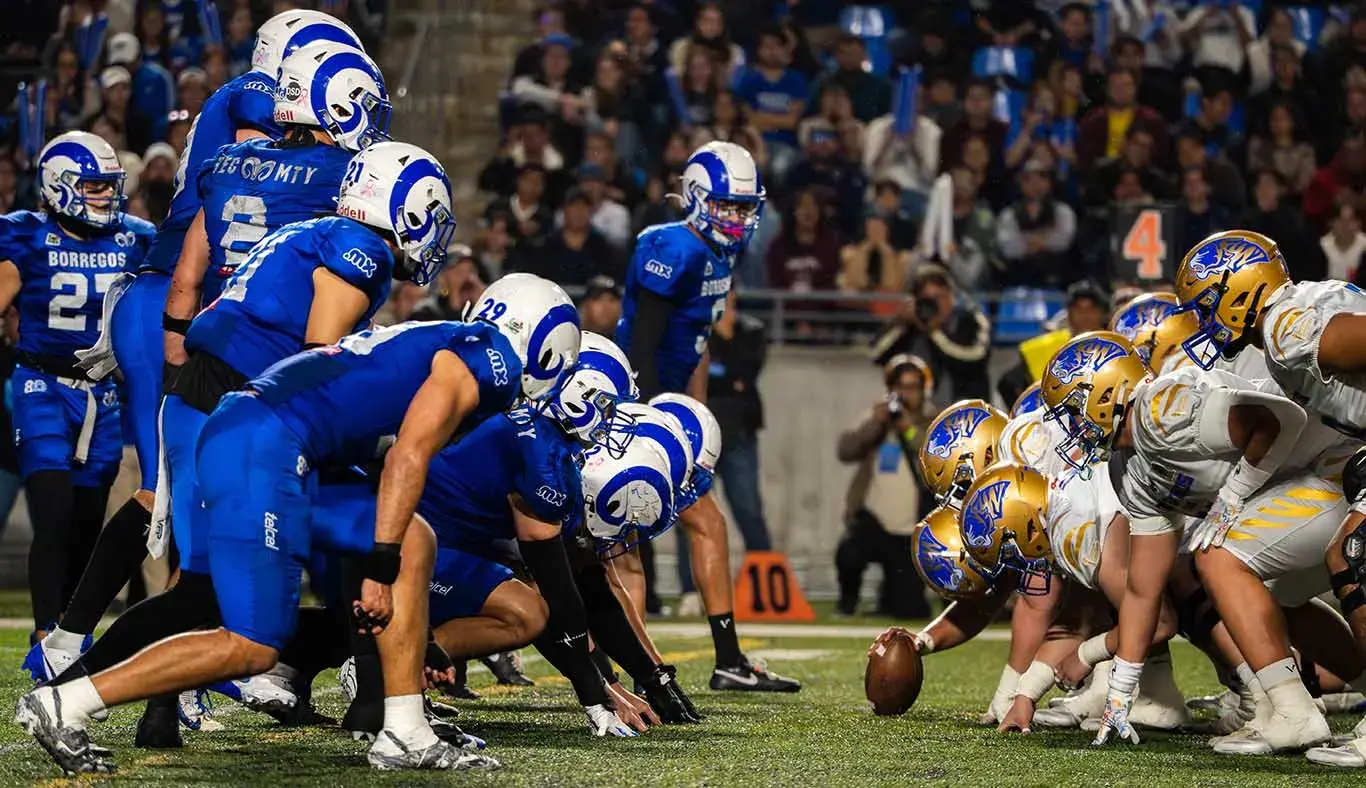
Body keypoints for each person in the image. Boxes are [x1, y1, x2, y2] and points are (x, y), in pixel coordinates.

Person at [16, 276, 580, 773]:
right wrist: (377, 566)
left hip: (278, 438)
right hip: (265, 442)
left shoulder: (450, 339)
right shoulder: (489, 358)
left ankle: (405, 730)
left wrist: (386, 552)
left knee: (415, 538)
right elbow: (408, 457)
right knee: (253, 645)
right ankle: (65, 703)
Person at [36, 141, 455, 745]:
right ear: (407, 208)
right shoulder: (360, 251)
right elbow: (319, 361)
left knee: (201, 589)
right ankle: (68, 693)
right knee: (345, 540)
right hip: (234, 409)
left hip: (202, 398)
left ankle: (126, 705)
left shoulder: (315, 232)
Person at [1039, 331, 1320, 753]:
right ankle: (1294, 701)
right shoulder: (1127, 468)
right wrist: (1120, 693)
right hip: (1289, 507)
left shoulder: (1160, 408)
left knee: (1216, 558)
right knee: (1264, 594)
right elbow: (1143, 590)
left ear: (1106, 392)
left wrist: (1233, 496)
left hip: (1327, 473)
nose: (1073, 427)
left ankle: (1292, 709)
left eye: (1074, 411)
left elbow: (1279, 420)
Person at [614, 140, 797, 692]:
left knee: (694, 528)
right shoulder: (671, 247)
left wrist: (696, 415)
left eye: (744, 207)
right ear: (695, 197)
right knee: (625, 547)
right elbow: (643, 345)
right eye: (726, 205)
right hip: (635, 401)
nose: (737, 217)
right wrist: (647, 420)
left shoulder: (720, 255)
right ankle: (653, 670)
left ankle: (721, 663)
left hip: (669, 406)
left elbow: (697, 344)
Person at [0, 131, 154, 662]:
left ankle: (69, 631)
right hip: (42, 383)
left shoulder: (135, 238)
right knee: (53, 507)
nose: (107, 196)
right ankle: (45, 630)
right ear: (58, 185)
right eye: (94, 186)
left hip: (104, 392)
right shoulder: (25, 236)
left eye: (110, 185)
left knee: (89, 518)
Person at [835, 354, 936, 618]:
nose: (905, 394)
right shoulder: (876, 415)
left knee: (910, 609)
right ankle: (847, 603)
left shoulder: (933, 420)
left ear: (923, 390)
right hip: (874, 519)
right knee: (849, 553)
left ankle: (890, 598)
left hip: (911, 526)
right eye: (900, 386)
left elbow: (935, 456)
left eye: (912, 387)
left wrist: (907, 428)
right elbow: (845, 450)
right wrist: (876, 423)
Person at [703, 291, 771, 556]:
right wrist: (729, 382)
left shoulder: (752, 330)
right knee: (694, 513)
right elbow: (695, 377)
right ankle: (691, 581)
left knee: (749, 510)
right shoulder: (694, 327)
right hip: (701, 435)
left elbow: (746, 374)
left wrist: (726, 338)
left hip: (739, 432)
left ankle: (763, 573)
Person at [871, 265, 991, 402]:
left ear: (951, 295)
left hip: (964, 407)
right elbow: (876, 355)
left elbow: (975, 359)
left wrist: (935, 333)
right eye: (928, 299)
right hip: (919, 410)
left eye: (940, 297)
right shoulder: (909, 325)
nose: (936, 305)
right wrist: (900, 325)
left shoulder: (972, 320)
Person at [995, 158, 1077, 288]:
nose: (1035, 184)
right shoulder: (1009, 214)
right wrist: (1043, 239)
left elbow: (1063, 241)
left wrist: (1027, 240)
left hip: (1056, 281)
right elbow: (1008, 248)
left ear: (1049, 183)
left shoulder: (1063, 211)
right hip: (1018, 282)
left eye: (1041, 178)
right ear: (1021, 184)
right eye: (1028, 179)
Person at [1325, 197, 1366, 282]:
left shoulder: (1364, 245)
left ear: (1358, 223)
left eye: (1350, 220)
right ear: (1332, 223)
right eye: (1340, 220)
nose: (1345, 225)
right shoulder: (1323, 246)